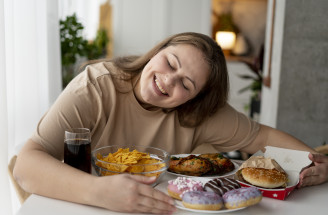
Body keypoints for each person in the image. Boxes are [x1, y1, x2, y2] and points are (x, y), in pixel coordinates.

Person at [14, 32, 328, 214]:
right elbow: (25, 165)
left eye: (186, 85)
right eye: (170, 62)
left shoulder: (200, 113)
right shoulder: (95, 87)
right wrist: (99, 192)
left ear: (194, 99)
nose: (168, 80)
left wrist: (318, 162)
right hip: (83, 204)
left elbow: (262, 135)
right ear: (158, 51)